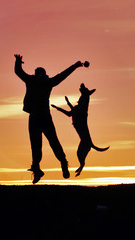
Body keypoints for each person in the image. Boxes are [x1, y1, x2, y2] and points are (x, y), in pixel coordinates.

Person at [14, 54, 83, 184]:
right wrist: (75, 66)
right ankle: (40, 169)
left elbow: (19, 72)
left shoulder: (35, 81)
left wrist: (18, 62)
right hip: (39, 117)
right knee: (41, 145)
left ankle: (60, 164)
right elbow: (63, 75)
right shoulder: (44, 81)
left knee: (48, 143)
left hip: (39, 117)